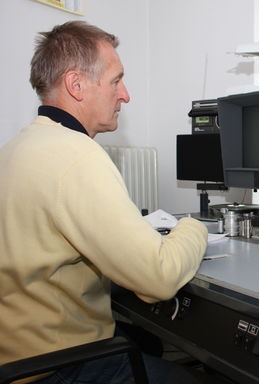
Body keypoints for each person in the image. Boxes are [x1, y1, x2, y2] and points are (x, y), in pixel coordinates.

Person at [0, 21, 208, 383]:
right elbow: (157, 279)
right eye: (116, 80)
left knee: (149, 342)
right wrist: (194, 226)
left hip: (15, 352)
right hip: (56, 365)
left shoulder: (17, 148)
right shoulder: (75, 155)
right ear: (76, 85)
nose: (125, 94)